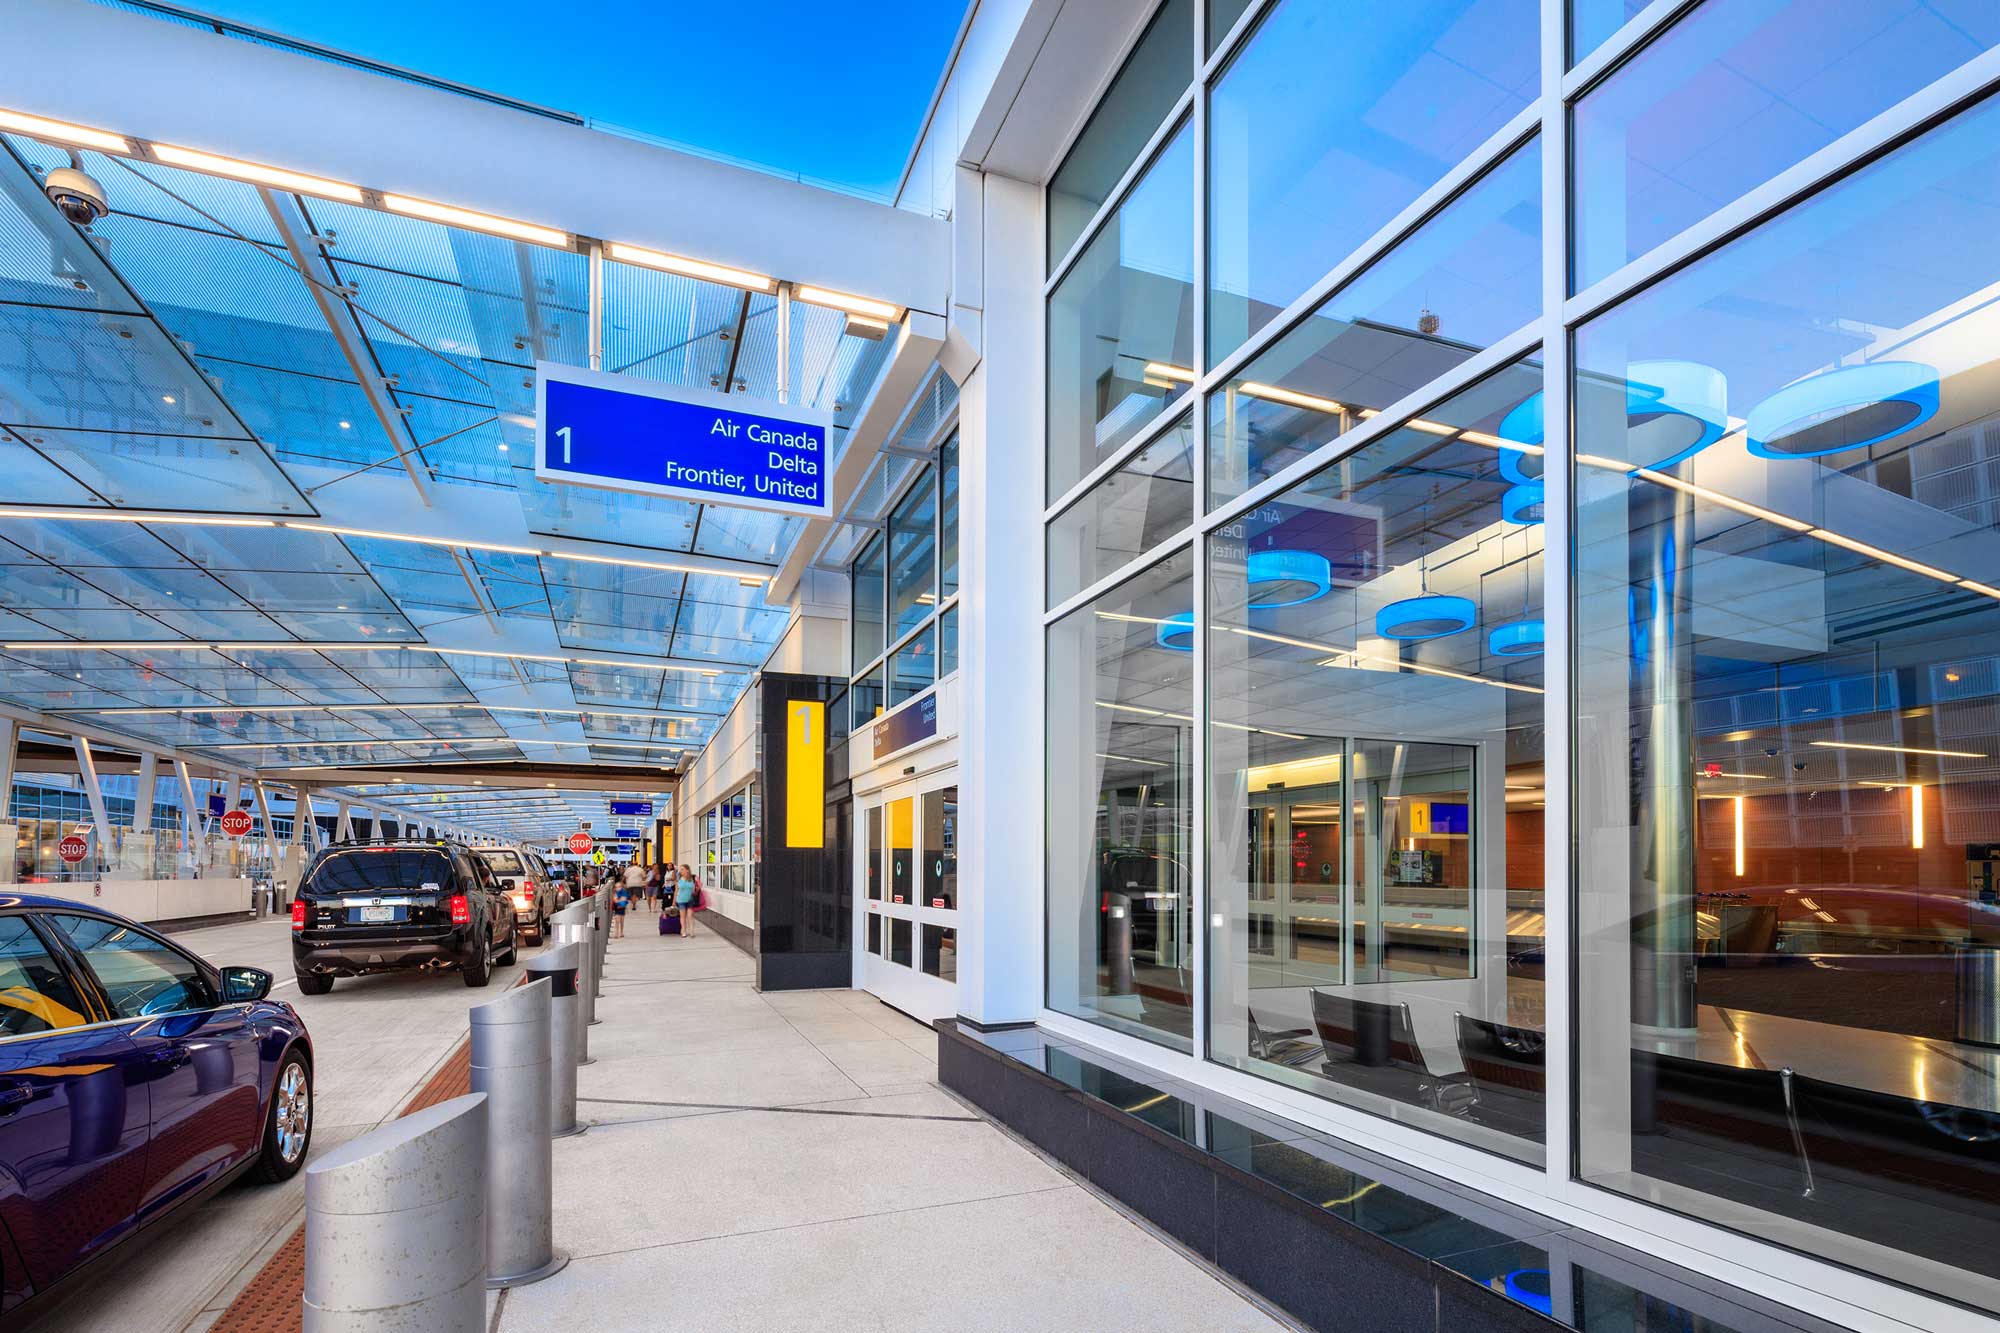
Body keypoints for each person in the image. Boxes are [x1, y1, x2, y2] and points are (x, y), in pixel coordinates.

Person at [675, 863, 699, 939]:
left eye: (682, 869)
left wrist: (697, 889)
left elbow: (694, 890)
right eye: (680, 869)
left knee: (690, 916)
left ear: (687, 870)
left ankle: (691, 931)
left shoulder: (692, 878)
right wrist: (674, 901)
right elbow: (676, 891)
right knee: (683, 917)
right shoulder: (679, 879)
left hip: (690, 900)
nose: (681, 871)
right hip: (681, 900)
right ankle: (684, 931)